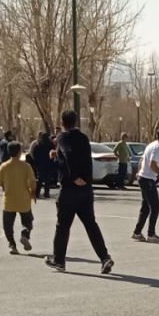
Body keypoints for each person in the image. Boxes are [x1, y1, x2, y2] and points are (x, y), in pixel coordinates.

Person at [44, 110, 113, 274]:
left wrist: (74, 176)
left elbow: (68, 154)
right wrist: (85, 178)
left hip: (69, 188)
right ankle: (104, 257)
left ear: (62, 122)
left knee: (63, 226)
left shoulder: (63, 137)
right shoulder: (83, 138)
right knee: (91, 224)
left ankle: (59, 260)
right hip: (86, 189)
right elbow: (83, 159)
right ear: (76, 122)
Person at [0, 141, 36, 255]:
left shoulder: (4, 166)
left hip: (9, 200)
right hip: (24, 199)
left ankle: (12, 245)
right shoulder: (26, 166)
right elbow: (32, 182)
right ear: (19, 152)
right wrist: (33, 193)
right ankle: (25, 234)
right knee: (28, 221)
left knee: (8, 225)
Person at [134, 127, 159, 243]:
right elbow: (152, 165)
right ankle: (151, 234)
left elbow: (141, 160)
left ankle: (137, 232)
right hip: (147, 179)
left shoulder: (151, 145)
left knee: (146, 207)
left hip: (143, 178)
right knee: (155, 206)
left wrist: (139, 171)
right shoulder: (158, 148)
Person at [31, 131, 56, 199]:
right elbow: (53, 153)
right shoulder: (50, 145)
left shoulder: (37, 145)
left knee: (40, 179)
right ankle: (46, 193)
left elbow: (34, 155)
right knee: (48, 179)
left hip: (40, 164)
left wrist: (36, 163)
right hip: (49, 164)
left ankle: (37, 193)